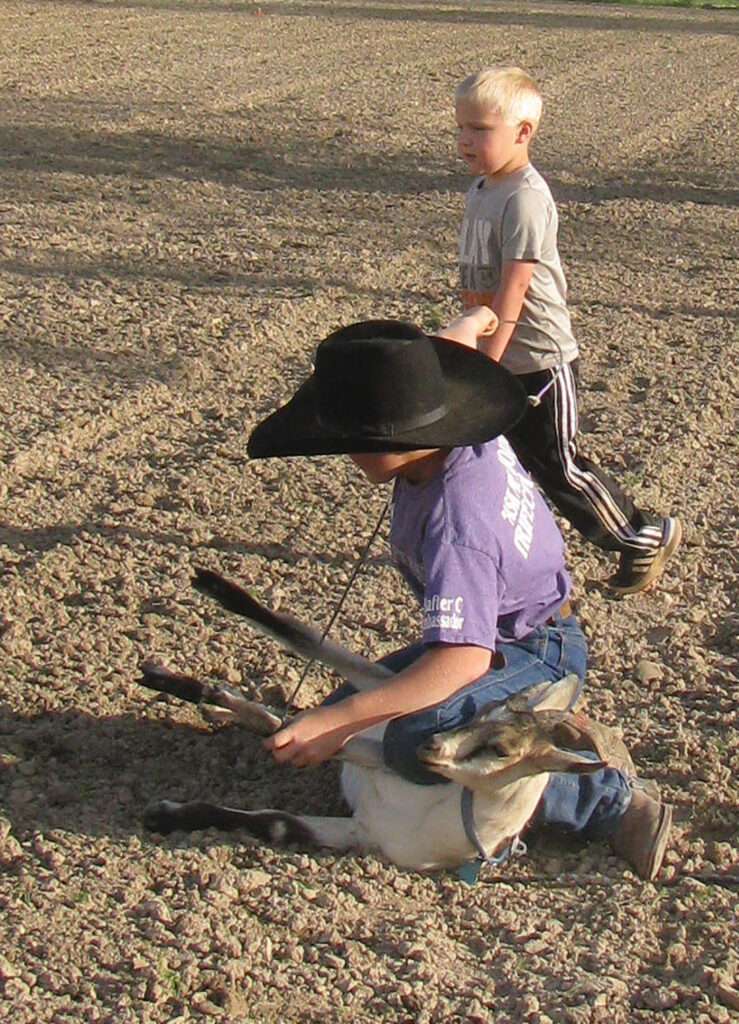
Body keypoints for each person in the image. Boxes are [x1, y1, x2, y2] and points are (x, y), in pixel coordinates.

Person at [245, 310, 672, 879]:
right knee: (345, 715)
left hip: (531, 645)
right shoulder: (459, 430)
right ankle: (523, 716)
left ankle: (607, 802)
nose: (346, 452)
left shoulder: (458, 523)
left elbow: (460, 660)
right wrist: (473, 323)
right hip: (511, 631)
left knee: (411, 741)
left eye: (354, 438)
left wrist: (340, 723)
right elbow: (446, 353)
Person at [454, 66, 681, 595]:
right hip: (495, 354)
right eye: (460, 128)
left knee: (560, 466)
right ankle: (497, 556)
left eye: (480, 129)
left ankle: (642, 535)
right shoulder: (482, 188)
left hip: (537, 360)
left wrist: (488, 359)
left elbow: (513, 288)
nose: (465, 140)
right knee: (497, 467)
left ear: (523, 132)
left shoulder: (526, 198)